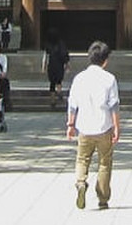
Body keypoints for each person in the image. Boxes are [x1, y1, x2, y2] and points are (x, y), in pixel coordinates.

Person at [65, 40, 121, 210]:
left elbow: (72, 104)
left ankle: (81, 181)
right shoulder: (109, 79)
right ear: (105, 60)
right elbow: (114, 105)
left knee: (82, 158)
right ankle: (103, 198)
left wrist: (70, 124)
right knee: (104, 162)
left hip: (84, 126)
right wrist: (117, 127)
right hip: (104, 126)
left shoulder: (79, 78)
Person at [43, 31, 70, 107]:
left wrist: (44, 66)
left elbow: (46, 56)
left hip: (51, 66)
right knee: (59, 81)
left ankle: (52, 100)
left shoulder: (48, 45)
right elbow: (65, 55)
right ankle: (59, 91)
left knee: (52, 83)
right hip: (59, 66)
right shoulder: (61, 44)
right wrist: (67, 65)